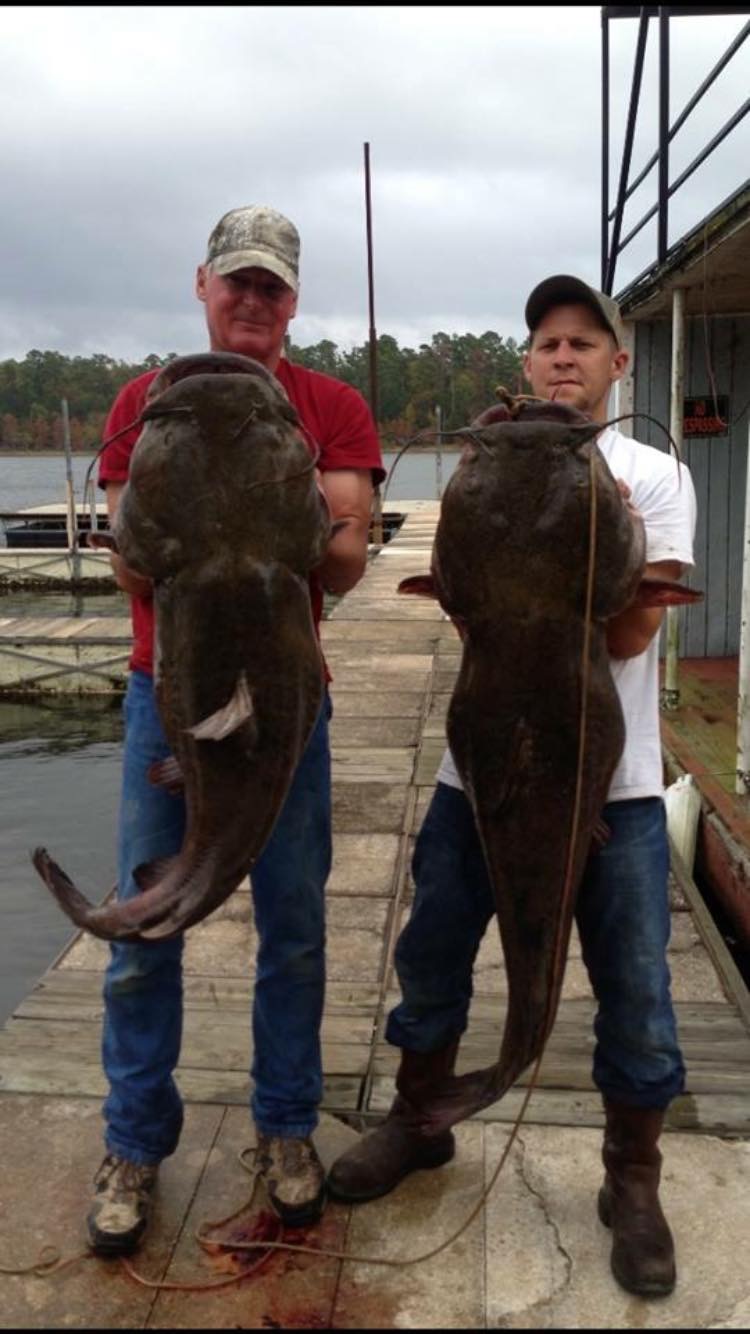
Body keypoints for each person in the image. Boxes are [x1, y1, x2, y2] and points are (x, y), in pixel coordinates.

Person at [328, 275, 697, 1300]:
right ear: (526, 363)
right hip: (480, 766)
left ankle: (632, 1179)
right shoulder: (482, 466)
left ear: (619, 362)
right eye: (547, 343)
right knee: (431, 951)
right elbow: (468, 610)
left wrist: (606, 535)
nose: (564, 356)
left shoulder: (653, 473)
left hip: (614, 783)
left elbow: (632, 632)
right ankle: (421, 1118)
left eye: (584, 341)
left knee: (637, 989)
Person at [87, 205, 384, 1254]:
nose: (253, 299)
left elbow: (341, 560)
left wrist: (280, 506)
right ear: (203, 285)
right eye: (237, 281)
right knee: (143, 941)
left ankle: (286, 1127)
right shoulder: (143, 401)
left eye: (271, 286)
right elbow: (134, 560)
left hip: (288, 704)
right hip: (163, 698)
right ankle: (133, 1141)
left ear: (292, 301)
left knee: (293, 928)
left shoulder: (332, 405)